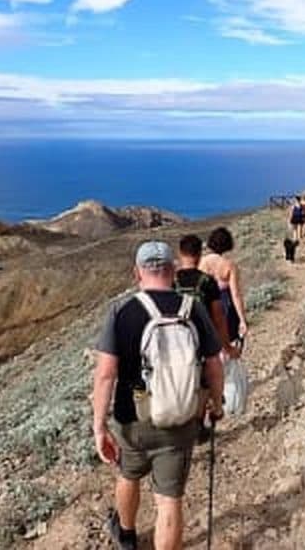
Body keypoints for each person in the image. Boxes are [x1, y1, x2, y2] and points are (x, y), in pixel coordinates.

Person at [93, 241, 224, 550]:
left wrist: (99, 427)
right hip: (181, 417)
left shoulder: (121, 311)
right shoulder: (193, 309)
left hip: (133, 420)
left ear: (137, 272)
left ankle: (126, 536)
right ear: (174, 271)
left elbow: (105, 375)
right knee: (169, 501)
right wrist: (216, 403)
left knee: (129, 474)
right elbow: (214, 365)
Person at [175, 234, 238, 359]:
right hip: (203, 345)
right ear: (199, 254)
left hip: (177, 344)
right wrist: (227, 347)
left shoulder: (172, 281)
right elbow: (218, 318)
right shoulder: (207, 281)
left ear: (180, 253)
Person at [199, 227, 248, 343]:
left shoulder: (201, 263)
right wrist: (242, 320)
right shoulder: (229, 266)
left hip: (204, 306)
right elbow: (236, 294)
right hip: (225, 306)